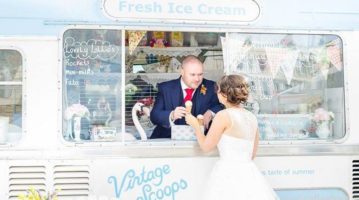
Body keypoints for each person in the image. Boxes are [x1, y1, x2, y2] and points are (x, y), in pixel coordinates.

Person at [185, 75, 279, 200]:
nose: (217, 94)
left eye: (218, 91)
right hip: (249, 174)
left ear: (224, 94)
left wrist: (195, 125)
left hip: (227, 175)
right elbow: (252, 154)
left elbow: (206, 147)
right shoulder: (252, 117)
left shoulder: (223, 116)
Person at [150, 55, 223, 139]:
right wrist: (172, 114)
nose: (197, 79)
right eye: (192, 75)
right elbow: (154, 116)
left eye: (200, 74)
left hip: (200, 140)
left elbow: (223, 105)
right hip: (168, 139)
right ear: (182, 72)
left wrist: (211, 112)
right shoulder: (165, 88)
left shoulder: (211, 86)